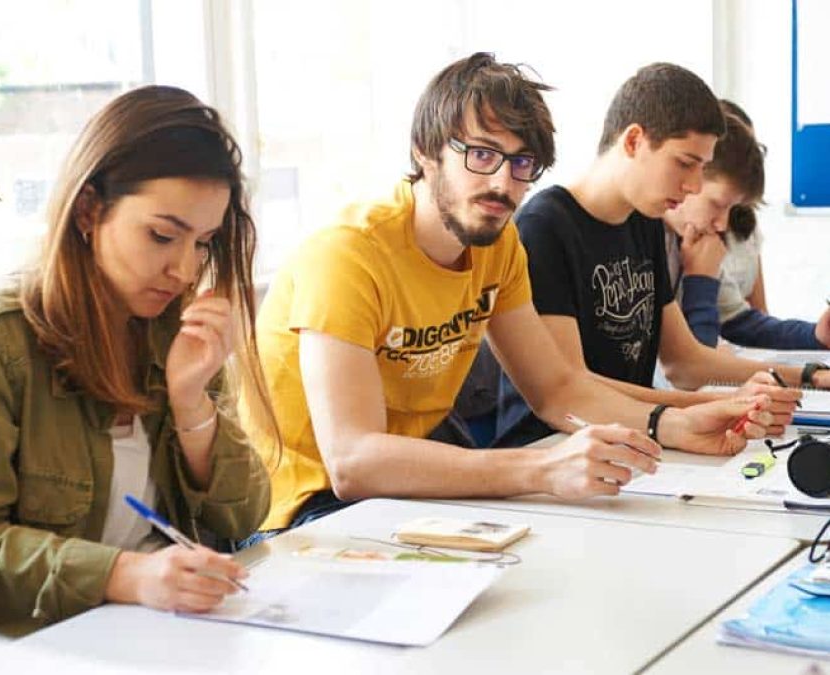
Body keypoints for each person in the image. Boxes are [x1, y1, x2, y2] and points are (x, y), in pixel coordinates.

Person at [242, 53, 774, 538]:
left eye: (522, 165)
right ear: (425, 152)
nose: (503, 182)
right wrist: (542, 468)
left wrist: (676, 424)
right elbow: (352, 462)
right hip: (306, 512)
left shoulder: (498, 244)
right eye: (481, 154)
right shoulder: (349, 256)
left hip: (402, 492)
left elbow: (558, 391)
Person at [0, 86, 274, 668]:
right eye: (162, 236)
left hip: (164, 634)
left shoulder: (177, 331)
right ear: (89, 211)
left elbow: (243, 518)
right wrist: (128, 575)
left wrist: (193, 404)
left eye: (203, 243)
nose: (183, 268)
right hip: (36, 643)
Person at [496, 63, 809, 447]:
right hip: (552, 448)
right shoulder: (544, 226)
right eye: (684, 163)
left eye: (702, 168)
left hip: (636, 443)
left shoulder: (643, 221)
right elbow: (571, 387)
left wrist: (808, 374)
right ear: (633, 142)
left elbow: (686, 361)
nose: (694, 185)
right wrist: (696, 409)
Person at [663, 99, 830, 349]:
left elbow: (739, 322)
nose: (722, 225)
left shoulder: (695, 238)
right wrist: (700, 278)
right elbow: (693, 366)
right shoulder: (651, 236)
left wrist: (815, 335)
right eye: (718, 204)